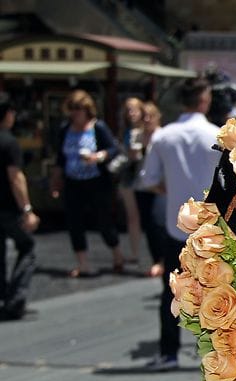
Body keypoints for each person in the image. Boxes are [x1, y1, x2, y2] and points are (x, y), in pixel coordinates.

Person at [138, 78, 220, 371]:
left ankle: (168, 351)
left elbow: (148, 179)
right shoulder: (216, 134)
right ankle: (218, 354)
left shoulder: (164, 137)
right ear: (204, 101)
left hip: (176, 223)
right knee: (217, 291)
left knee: (171, 290)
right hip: (211, 226)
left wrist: (170, 189)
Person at [50, 90, 125, 277]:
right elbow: (60, 158)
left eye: (79, 109)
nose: (75, 113)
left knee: (103, 220)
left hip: (96, 181)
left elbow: (113, 148)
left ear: (87, 110)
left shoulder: (98, 127)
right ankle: (82, 263)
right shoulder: (65, 130)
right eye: (72, 109)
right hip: (73, 182)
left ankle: (117, 255)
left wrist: (98, 156)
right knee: (74, 221)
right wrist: (56, 180)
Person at [0, 93, 39, 320]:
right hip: (8, 207)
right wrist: (27, 210)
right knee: (27, 246)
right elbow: (15, 178)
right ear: (8, 114)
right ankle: (15, 299)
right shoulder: (9, 142)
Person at [133, 102, 166, 277]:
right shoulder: (136, 136)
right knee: (147, 223)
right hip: (141, 186)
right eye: (144, 116)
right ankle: (155, 259)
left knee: (158, 223)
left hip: (160, 187)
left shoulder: (162, 136)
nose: (147, 119)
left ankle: (162, 260)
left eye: (150, 116)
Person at [118, 97, 145, 266]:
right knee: (132, 216)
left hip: (144, 175)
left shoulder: (146, 130)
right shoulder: (126, 131)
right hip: (129, 174)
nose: (131, 113)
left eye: (134, 109)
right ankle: (135, 253)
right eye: (128, 109)